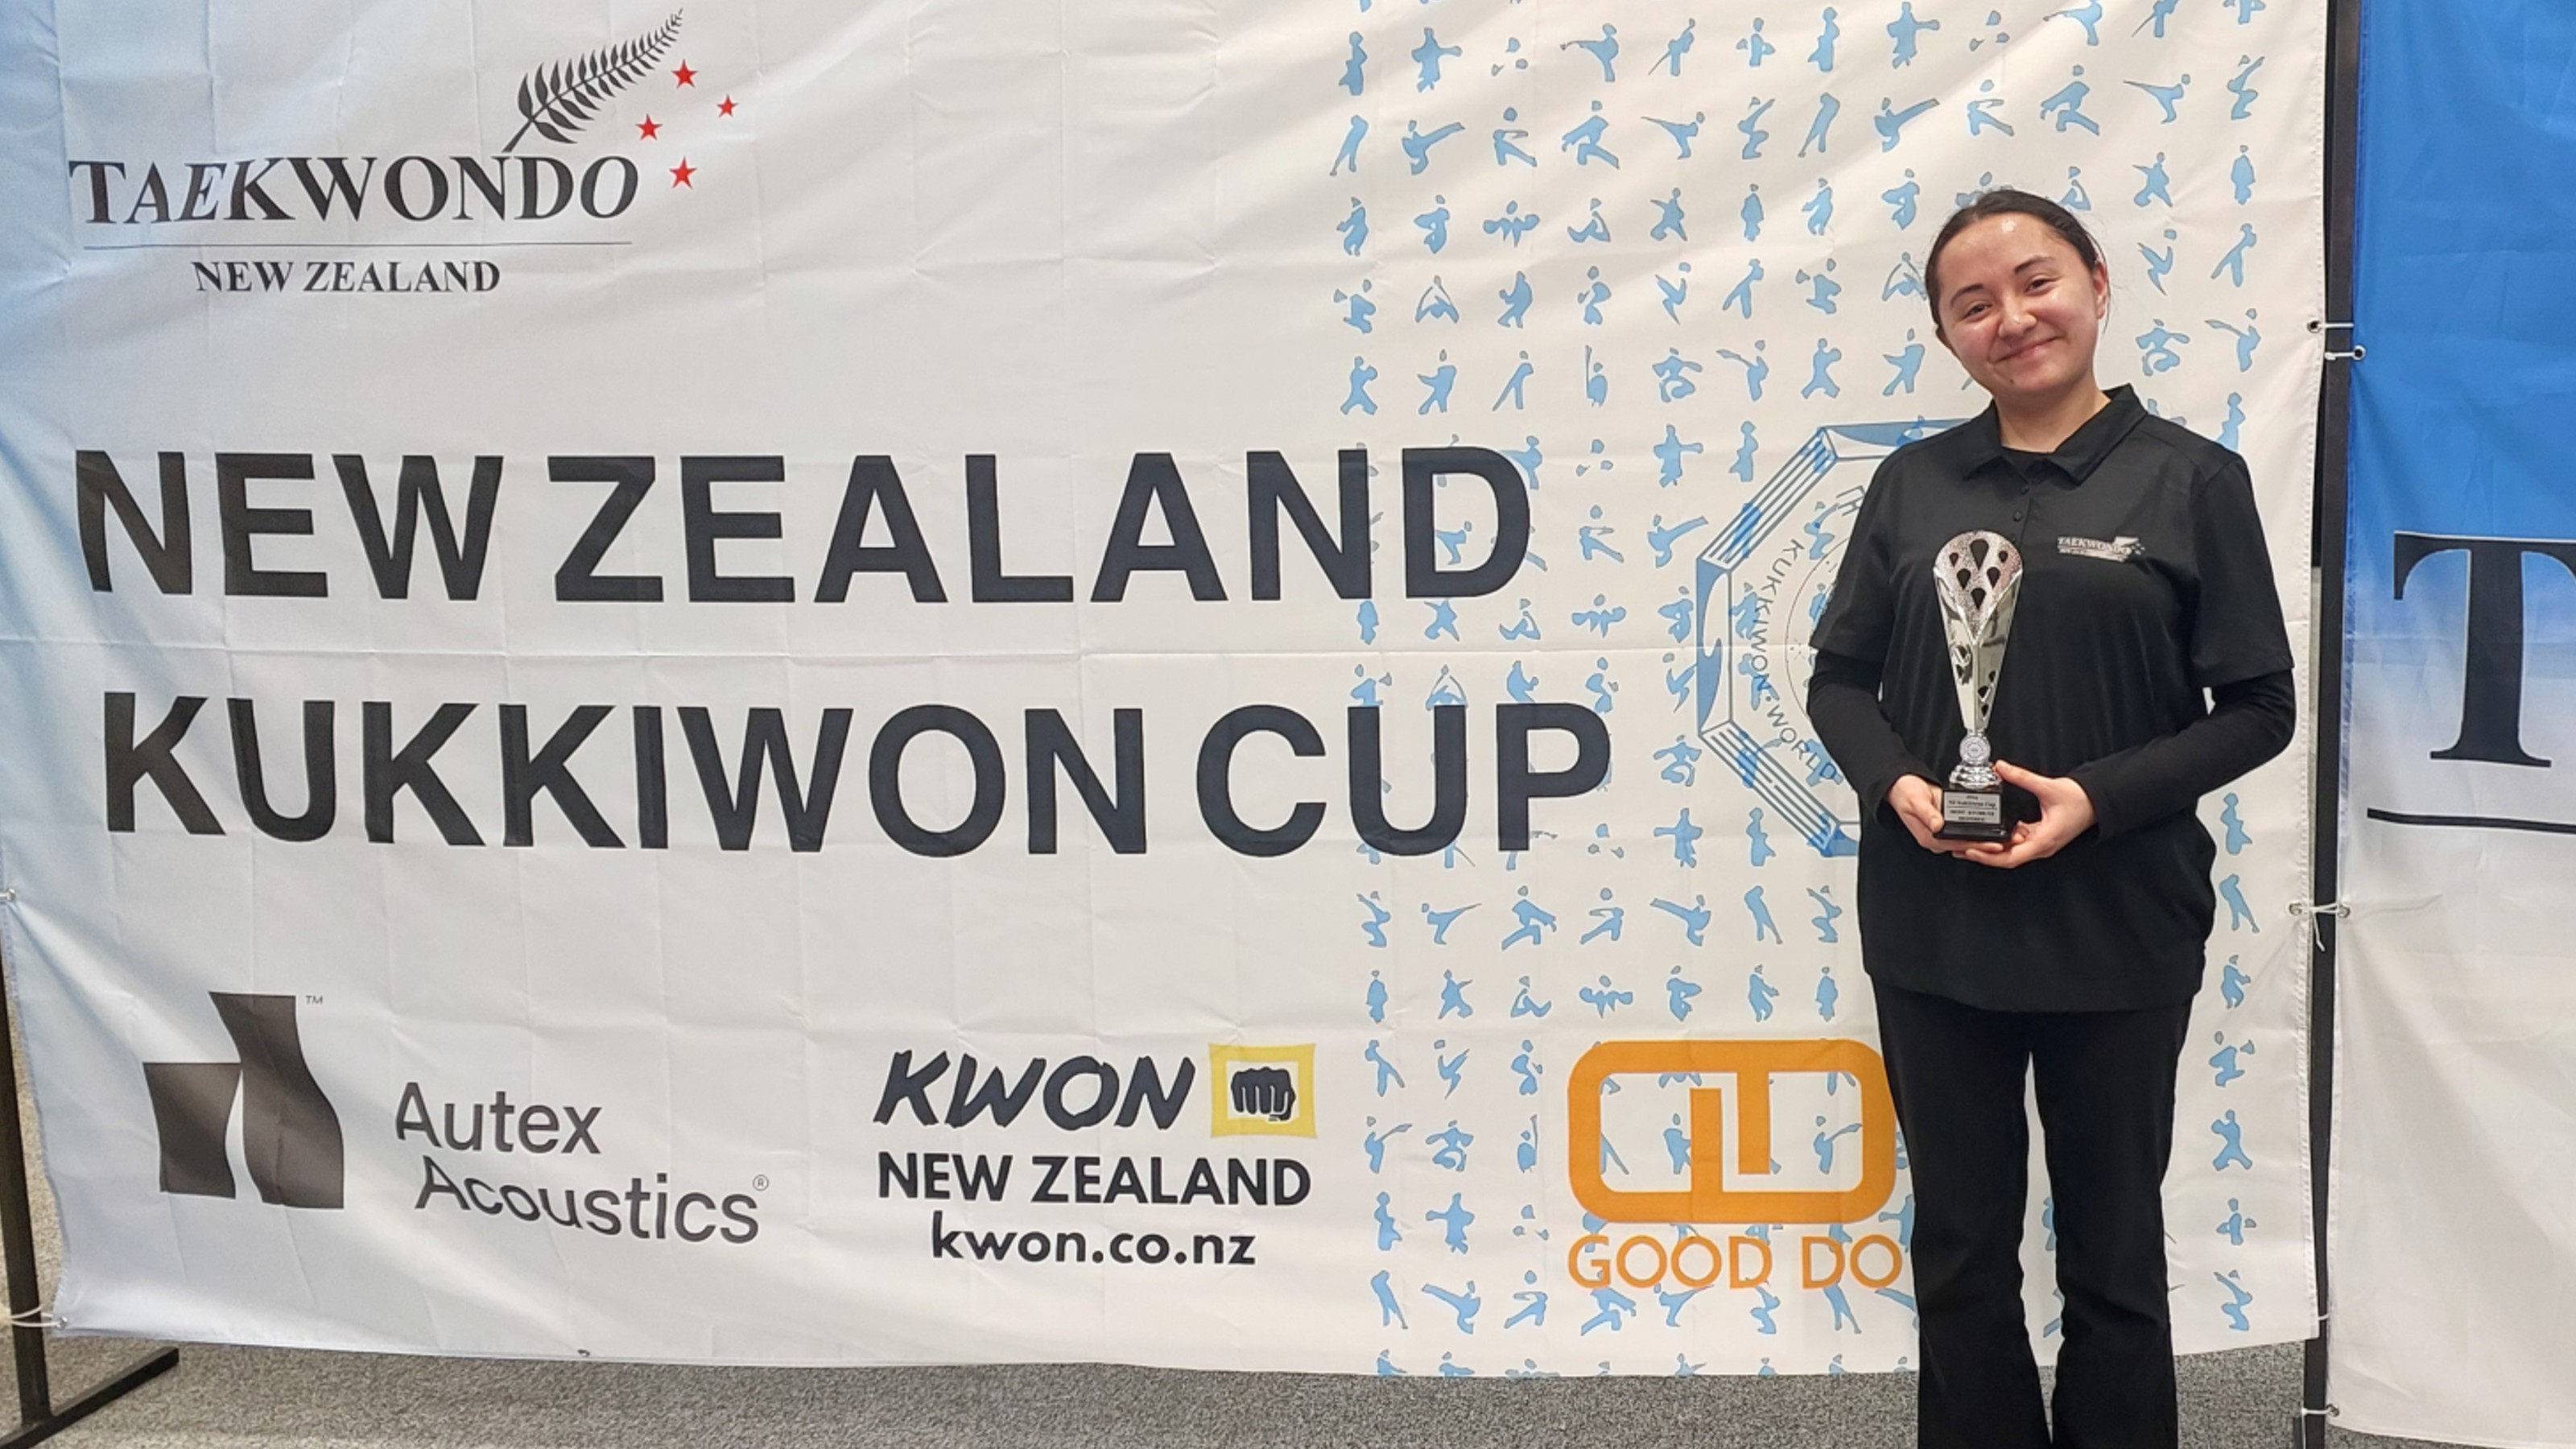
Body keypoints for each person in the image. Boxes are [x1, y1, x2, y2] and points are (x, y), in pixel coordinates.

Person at [1805, 188, 2294, 1449]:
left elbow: (2258, 707)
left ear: (2096, 282)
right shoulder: (1912, 486)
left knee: (2114, 1257)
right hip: (1933, 927)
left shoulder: (2194, 479)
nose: (2012, 319)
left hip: (2120, 925)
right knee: (1962, 1253)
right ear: (1948, 335)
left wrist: (2101, 798)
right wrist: (1897, 781)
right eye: (1973, 305)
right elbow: (1839, 680)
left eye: (2036, 282)